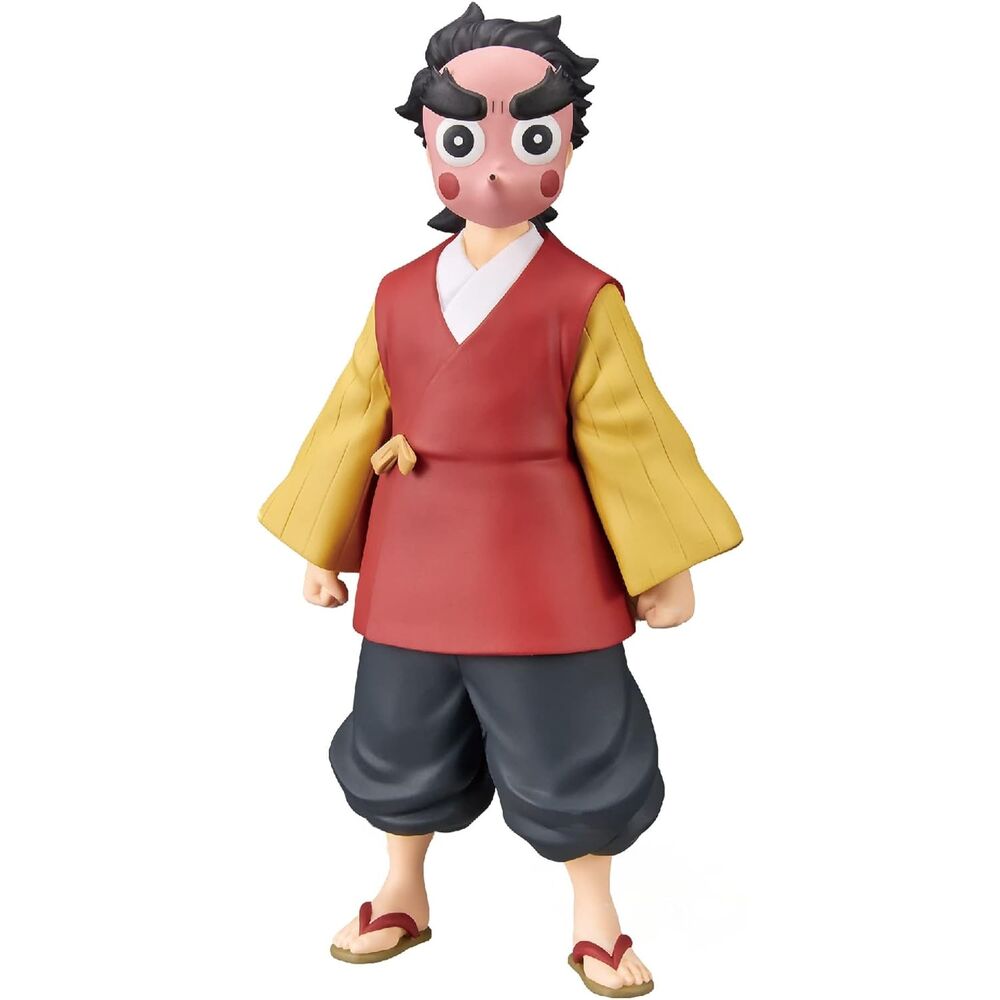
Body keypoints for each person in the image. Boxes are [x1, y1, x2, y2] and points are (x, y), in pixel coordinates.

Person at [259, 6, 742, 995]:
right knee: (398, 734)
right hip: (413, 557)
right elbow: (352, 415)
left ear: (565, 144)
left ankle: (595, 911)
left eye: (529, 139)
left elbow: (630, 434)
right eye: (461, 140)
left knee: (573, 739)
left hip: (541, 567)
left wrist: (665, 561)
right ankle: (402, 885)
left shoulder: (582, 297)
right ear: (427, 142)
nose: (491, 168)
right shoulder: (397, 293)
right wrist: (323, 540)